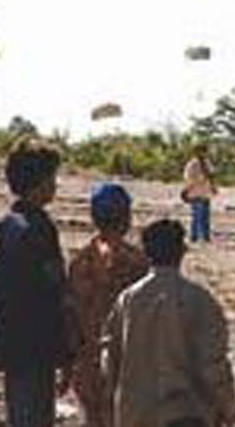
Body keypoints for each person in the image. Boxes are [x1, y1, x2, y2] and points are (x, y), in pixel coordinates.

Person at [0, 138, 77, 426]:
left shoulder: (6, 226)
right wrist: (65, 350)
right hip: (37, 344)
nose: (55, 184)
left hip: (12, 342)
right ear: (40, 181)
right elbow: (53, 292)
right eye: (52, 177)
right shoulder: (39, 229)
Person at [103, 219, 235, 427]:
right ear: (182, 251)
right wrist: (227, 406)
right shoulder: (199, 300)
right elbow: (213, 365)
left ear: (146, 253)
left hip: (137, 413)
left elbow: (111, 360)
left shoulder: (128, 299)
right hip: (185, 413)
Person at [69, 183, 149, 427]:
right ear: (126, 218)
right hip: (128, 363)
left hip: (89, 360)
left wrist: (68, 361)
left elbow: (70, 315)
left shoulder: (80, 262)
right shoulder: (139, 263)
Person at [181, 146, 218, 243]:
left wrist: (213, 187)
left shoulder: (207, 163)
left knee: (205, 216)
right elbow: (188, 178)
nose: (203, 154)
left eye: (204, 152)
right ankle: (194, 237)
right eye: (201, 151)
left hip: (205, 193)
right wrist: (186, 190)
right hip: (195, 193)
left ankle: (206, 237)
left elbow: (211, 176)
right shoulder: (192, 165)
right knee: (197, 216)